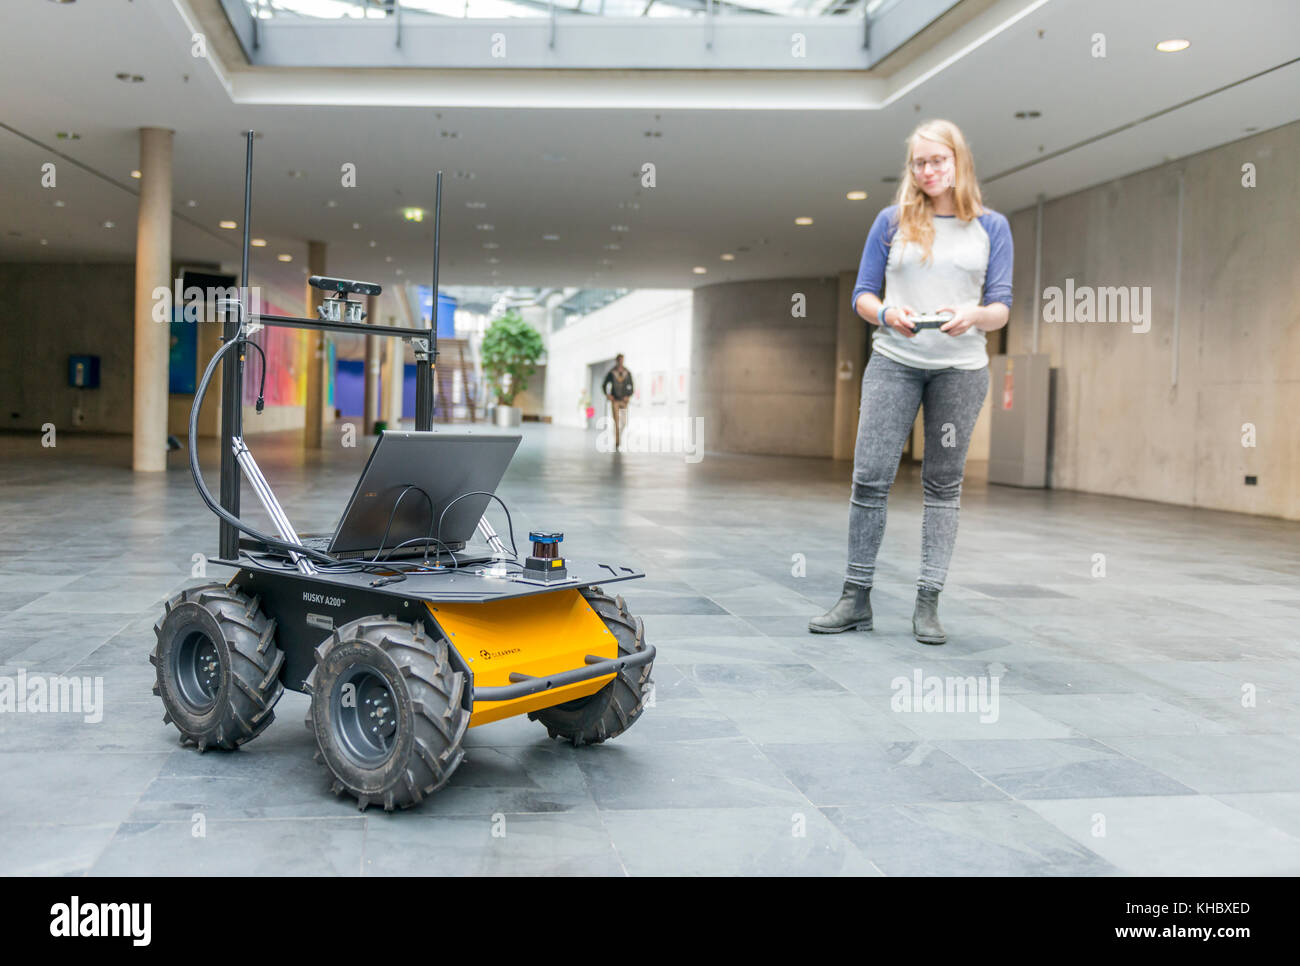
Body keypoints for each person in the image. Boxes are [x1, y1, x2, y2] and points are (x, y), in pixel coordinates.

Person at [810, 118, 1012, 645]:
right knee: (870, 477)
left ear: (958, 161)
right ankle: (855, 599)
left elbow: (1001, 309)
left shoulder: (991, 227)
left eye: (937, 160)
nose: (927, 170)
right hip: (894, 360)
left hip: (960, 370)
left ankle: (928, 603)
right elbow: (862, 294)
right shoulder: (890, 221)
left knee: (943, 485)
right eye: (919, 162)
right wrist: (885, 313)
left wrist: (972, 314)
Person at [602, 354, 634, 452]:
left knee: (624, 422)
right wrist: (608, 395)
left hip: (624, 401)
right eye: (619, 360)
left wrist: (628, 395)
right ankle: (617, 441)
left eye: (622, 360)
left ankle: (619, 435)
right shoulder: (612, 372)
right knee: (616, 421)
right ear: (616, 361)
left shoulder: (627, 372)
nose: (621, 362)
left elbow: (631, 386)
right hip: (615, 400)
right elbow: (604, 385)